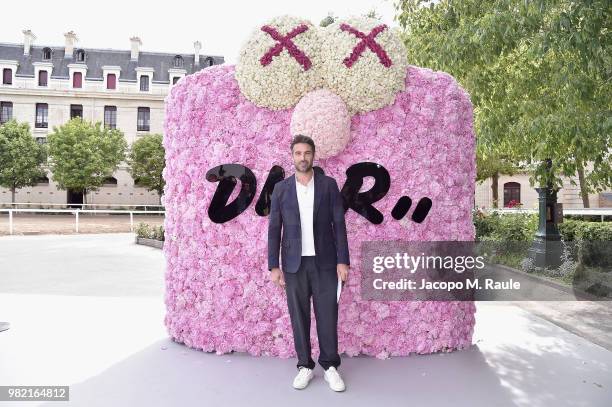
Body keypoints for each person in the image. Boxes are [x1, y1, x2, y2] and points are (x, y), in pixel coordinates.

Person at [268, 135, 350, 392]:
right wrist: (273, 265)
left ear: (314, 155)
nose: (302, 157)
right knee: (299, 316)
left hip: (325, 263)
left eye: (307, 153)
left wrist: (343, 261)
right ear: (292, 156)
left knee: (327, 315)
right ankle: (304, 365)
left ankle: (330, 366)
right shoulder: (281, 189)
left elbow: (339, 225)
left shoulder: (328, 185)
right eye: (298, 153)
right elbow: (274, 229)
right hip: (293, 265)